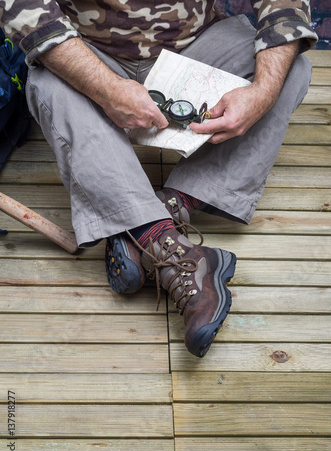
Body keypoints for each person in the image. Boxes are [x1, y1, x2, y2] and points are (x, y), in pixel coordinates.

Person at [0, 1, 317, 357]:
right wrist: (106, 88)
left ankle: (158, 217)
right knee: (47, 85)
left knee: (289, 68)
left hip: (198, 45)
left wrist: (262, 93)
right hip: (87, 51)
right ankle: (179, 253)